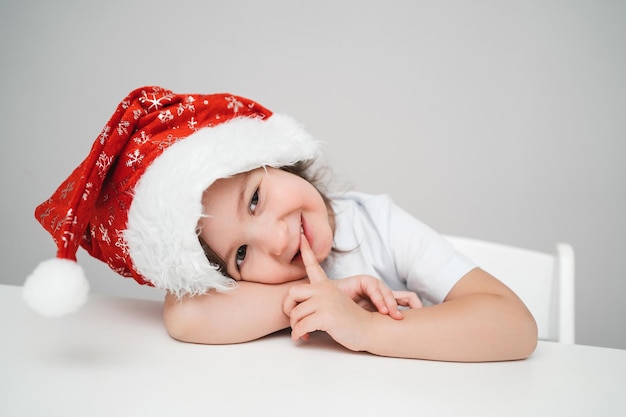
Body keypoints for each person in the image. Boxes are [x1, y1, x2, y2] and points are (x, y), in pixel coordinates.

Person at [25, 86, 537, 362]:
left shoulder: (376, 223)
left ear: (278, 160)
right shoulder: (247, 295)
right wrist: (327, 302)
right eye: (240, 256)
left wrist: (363, 326)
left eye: (254, 199)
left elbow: (515, 328)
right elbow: (186, 319)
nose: (274, 238)